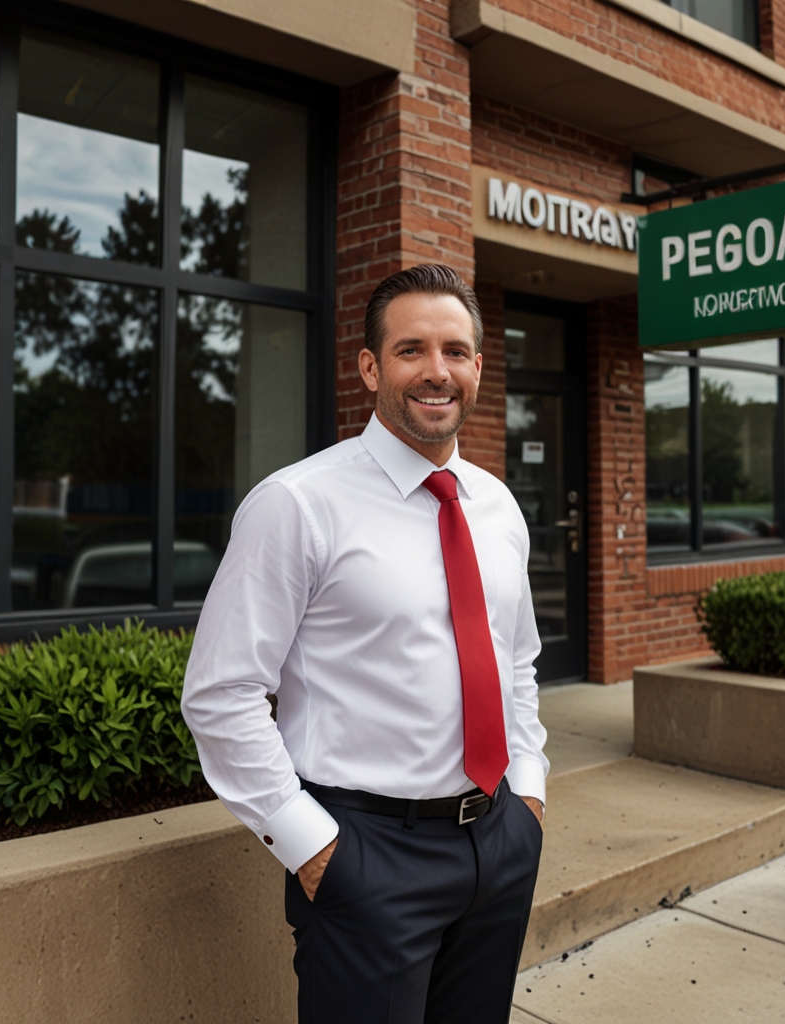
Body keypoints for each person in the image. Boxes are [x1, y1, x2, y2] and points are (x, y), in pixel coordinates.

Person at [181, 263, 548, 1023]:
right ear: (371, 368)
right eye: (412, 349)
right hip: (366, 855)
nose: (437, 371)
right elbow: (222, 694)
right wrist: (315, 849)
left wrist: (530, 794)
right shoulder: (297, 505)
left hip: (499, 842)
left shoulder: (498, 507)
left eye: (455, 350)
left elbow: (516, 661)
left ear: (479, 367)